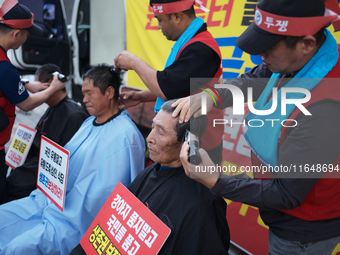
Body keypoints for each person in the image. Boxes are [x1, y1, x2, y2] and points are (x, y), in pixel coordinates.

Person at [176, 0, 340, 254]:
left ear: (306, 43)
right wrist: (213, 96)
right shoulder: (299, 60)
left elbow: (287, 193)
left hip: (303, 230)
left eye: (268, 48)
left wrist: (214, 179)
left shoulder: (326, 110)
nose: (260, 56)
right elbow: (256, 79)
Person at [0, 64, 146, 255]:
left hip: (77, 219)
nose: (84, 100)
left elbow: (106, 197)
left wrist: (72, 200)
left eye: (89, 93)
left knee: (16, 248)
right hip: (49, 201)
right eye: (83, 94)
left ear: (109, 92)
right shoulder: (88, 122)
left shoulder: (126, 136)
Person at [70, 99, 230, 255]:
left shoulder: (202, 205)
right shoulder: (149, 172)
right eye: (152, 127)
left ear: (187, 143)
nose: (149, 138)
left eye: (160, 132)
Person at [114, 0, 224, 165]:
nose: (158, 26)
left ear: (177, 16)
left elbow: (168, 88)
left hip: (199, 148)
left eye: (159, 20)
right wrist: (142, 96)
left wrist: (133, 62)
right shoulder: (191, 42)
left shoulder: (201, 49)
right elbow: (181, 87)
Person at [0, 0, 65, 204]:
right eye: (26, 35)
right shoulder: (5, 68)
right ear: (16, 34)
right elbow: (26, 104)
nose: (26, 39)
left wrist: (25, 84)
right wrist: (53, 89)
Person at [4, 64, 89, 203]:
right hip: (34, 167)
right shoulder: (53, 108)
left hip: (46, 176)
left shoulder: (74, 116)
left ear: (50, 83)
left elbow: (66, 164)